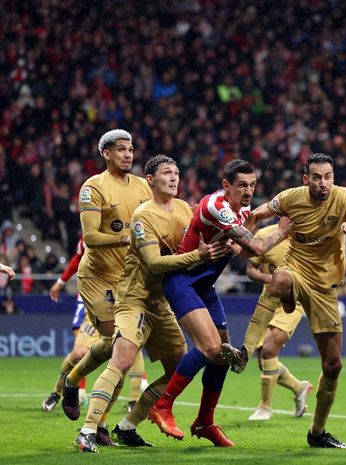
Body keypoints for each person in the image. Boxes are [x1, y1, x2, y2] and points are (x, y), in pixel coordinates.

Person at [73, 155, 227, 452]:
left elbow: (207, 234)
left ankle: (128, 425)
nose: (173, 177)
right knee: (122, 359)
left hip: (161, 302)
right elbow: (155, 263)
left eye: (177, 172)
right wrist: (199, 256)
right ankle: (88, 430)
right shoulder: (143, 215)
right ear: (150, 180)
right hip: (134, 299)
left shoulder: (185, 210)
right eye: (167, 173)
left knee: (177, 369)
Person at [148, 159, 291, 447]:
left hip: (204, 286)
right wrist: (284, 229)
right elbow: (257, 248)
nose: (248, 191)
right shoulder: (217, 206)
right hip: (182, 281)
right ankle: (162, 406)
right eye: (242, 185)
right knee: (211, 347)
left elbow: (243, 254)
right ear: (226, 185)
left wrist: (254, 223)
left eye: (252, 185)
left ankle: (204, 422)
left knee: (222, 356)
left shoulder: (243, 209)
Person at [246, 153, 346, 449]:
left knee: (334, 365)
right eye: (316, 177)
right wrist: (240, 230)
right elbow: (257, 214)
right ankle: (244, 349)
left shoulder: (343, 197)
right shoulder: (290, 198)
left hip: (324, 287)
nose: (323, 182)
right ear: (306, 179)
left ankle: (317, 432)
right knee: (279, 279)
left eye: (328, 176)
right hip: (295, 271)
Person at [61, 129, 153, 448]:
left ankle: (88, 405)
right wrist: (124, 237)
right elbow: (90, 239)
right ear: (106, 154)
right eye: (120, 150)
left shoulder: (143, 186)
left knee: (121, 348)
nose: (127, 155)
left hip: (128, 279)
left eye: (130, 149)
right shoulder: (93, 187)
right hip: (98, 277)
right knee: (119, 345)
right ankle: (77, 388)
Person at [41, 237, 148, 414]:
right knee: (78, 354)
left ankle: (133, 400)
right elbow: (78, 257)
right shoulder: (91, 235)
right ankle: (58, 392)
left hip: (123, 300)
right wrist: (62, 281)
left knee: (131, 346)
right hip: (94, 299)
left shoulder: (133, 233)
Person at [242, 225, 313, 421]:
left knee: (269, 350)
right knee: (263, 361)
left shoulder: (309, 233)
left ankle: (265, 407)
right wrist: (273, 279)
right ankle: (299, 388)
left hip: (294, 301)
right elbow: (251, 270)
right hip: (268, 300)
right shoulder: (265, 235)